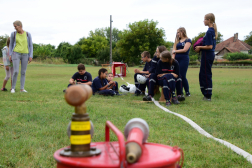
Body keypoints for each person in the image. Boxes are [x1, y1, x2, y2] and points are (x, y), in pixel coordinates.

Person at [195, 13, 217, 101]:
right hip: (208, 55)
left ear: (209, 20)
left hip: (207, 55)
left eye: (204, 19)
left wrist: (200, 47)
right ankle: (206, 93)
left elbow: (209, 46)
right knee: (203, 74)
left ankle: (208, 95)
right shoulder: (211, 31)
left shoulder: (209, 31)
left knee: (205, 74)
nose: (203, 21)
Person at [9, 20, 33, 93]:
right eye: (14, 27)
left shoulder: (28, 34)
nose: (15, 28)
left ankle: (22, 89)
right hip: (16, 53)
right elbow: (11, 45)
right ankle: (13, 88)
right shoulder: (13, 34)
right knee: (16, 71)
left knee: (23, 72)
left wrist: (30, 55)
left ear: (20, 26)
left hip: (25, 54)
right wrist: (10, 54)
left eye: (15, 26)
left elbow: (30, 46)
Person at [172, 27, 192, 99]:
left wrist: (175, 51)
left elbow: (185, 50)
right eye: (177, 32)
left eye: (178, 32)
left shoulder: (188, 40)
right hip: (177, 59)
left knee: (182, 75)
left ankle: (187, 92)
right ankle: (180, 92)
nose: (177, 34)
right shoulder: (177, 41)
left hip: (184, 59)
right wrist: (172, 59)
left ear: (182, 32)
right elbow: (173, 51)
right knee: (177, 75)